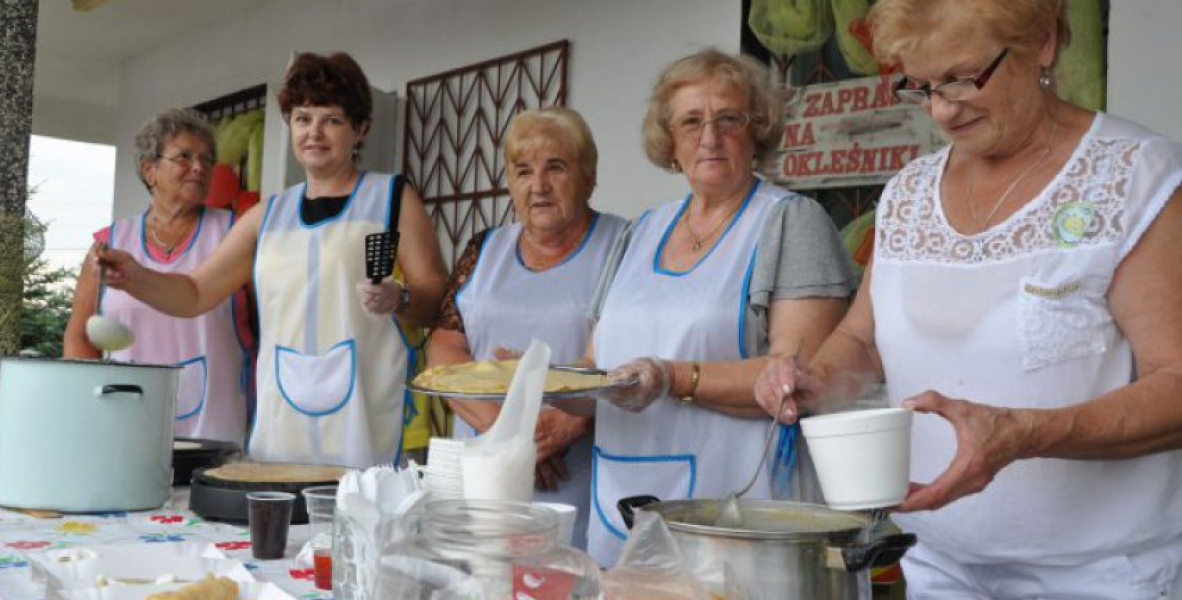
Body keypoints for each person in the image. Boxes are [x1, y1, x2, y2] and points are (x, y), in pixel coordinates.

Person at [754, 1, 1182, 597]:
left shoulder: (1134, 176)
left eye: (961, 77)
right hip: (938, 567)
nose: (940, 108)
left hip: (1100, 575)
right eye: (920, 85)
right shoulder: (909, 191)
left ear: (1043, 42)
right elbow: (863, 338)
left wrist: (1025, 432)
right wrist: (813, 379)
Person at [97, 52, 447, 467]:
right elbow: (194, 293)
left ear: (361, 129)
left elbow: (437, 297)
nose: (314, 132)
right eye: (302, 118)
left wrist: (400, 299)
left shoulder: (391, 199)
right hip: (282, 419)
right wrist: (136, 276)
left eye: (331, 119)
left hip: (368, 415)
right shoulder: (266, 216)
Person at [585, 48, 855, 565]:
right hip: (621, 502)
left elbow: (796, 379)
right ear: (669, 141)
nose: (710, 137)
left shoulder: (791, 223)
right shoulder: (639, 232)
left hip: (741, 512)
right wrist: (531, 384)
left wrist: (670, 377)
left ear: (756, 132)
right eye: (691, 122)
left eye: (728, 119)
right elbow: (594, 369)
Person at [426, 107, 628, 550]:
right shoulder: (483, 249)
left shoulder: (627, 244)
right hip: (484, 478)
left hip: (584, 480)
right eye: (523, 171)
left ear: (588, 176)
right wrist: (512, 440)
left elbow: (631, 357)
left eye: (556, 167)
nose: (538, 185)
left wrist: (560, 429)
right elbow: (443, 350)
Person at [63, 108, 252, 445]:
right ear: (149, 170)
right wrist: (83, 408)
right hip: (126, 423)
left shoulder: (235, 234)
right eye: (185, 157)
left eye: (207, 159)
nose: (199, 167)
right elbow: (80, 336)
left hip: (219, 429)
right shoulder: (109, 244)